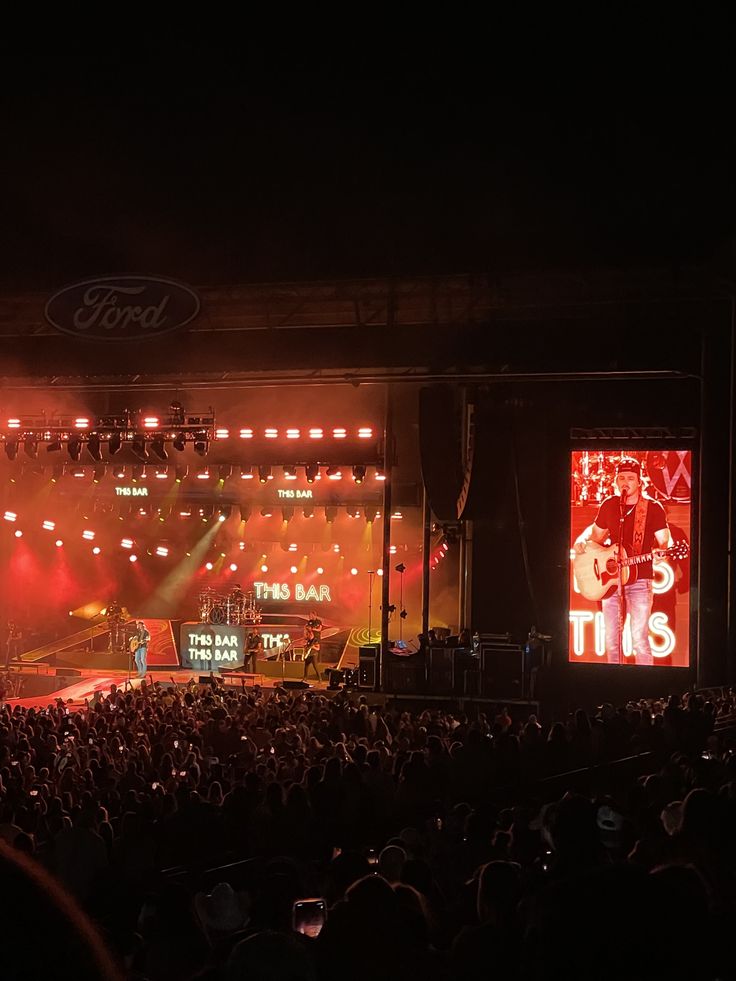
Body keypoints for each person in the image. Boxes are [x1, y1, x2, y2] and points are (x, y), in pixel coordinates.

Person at [575, 458, 670, 664]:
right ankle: (614, 685)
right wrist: (581, 541)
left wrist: (662, 552)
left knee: (640, 640)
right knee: (612, 640)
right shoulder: (609, 505)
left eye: (630, 478)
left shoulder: (652, 508)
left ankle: (645, 688)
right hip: (610, 584)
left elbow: (664, 540)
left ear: (639, 481)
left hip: (640, 580)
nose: (625, 482)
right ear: (616, 482)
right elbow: (595, 536)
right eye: (621, 478)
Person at [303, 610, 322, 682]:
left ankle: (320, 678)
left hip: (315, 642)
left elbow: (319, 629)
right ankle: (305, 678)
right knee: (306, 664)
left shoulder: (318, 622)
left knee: (315, 665)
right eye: (309, 615)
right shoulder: (308, 623)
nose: (309, 617)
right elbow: (306, 630)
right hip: (310, 642)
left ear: (314, 615)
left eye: (311, 615)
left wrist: (312, 629)